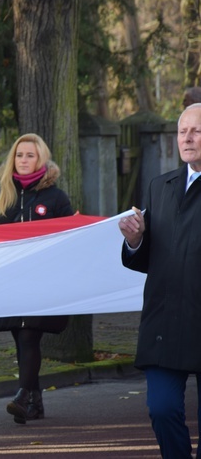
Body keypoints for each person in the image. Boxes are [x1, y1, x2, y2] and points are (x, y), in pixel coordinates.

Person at [119, 103, 201, 458]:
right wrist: (134, 240)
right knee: (162, 408)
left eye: (197, 130)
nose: (188, 137)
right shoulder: (159, 186)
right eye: (182, 131)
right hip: (164, 322)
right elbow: (147, 256)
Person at [0, 133, 73, 425]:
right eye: (20, 155)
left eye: (30, 155)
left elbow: (70, 237)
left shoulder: (55, 197)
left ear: (41, 158)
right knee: (21, 338)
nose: (24, 160)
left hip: (43, 283)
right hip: (9, 282)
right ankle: (35, 400)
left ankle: (22, 396)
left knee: (30, 333)